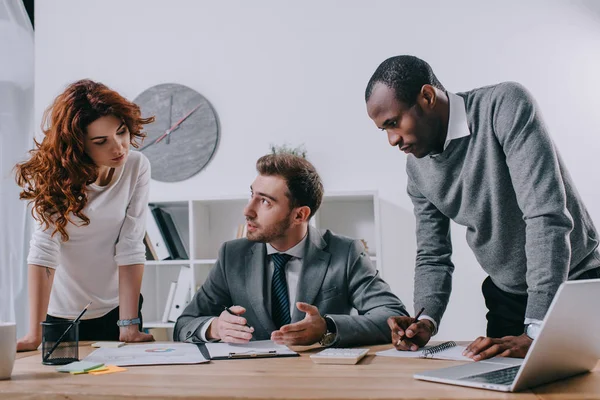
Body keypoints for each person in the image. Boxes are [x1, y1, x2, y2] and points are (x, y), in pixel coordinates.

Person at [364, 55, 600, 360]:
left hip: (575, 283)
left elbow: (546, 217)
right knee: (496, 385)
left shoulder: (504, 106)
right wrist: (425, 320)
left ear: (427, 97)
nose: (392, 140)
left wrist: (538, 333)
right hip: (507, 297)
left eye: (394, 123)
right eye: (383, 129)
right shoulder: (417, 171)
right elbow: (433, 255)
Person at [174, 153, 407, 347]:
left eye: (265, 201)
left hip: (321, 383)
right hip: (252, 382)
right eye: (252, 195)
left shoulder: (345, 252)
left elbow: (393, 316)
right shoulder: (231, 256)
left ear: (300, 215)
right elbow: (184, 324)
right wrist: (214, 327)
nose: (248, 210)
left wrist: (328, 326)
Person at [15, 79, 155, 351]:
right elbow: (44, 251)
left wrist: (129, 326)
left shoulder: (136, 166)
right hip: (62, 316)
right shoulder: (49, 177)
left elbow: (131, 244)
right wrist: (34, 334)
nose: (119, 148)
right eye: (101, 141)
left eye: (122, 132)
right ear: (77, 144)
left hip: (119, 309)